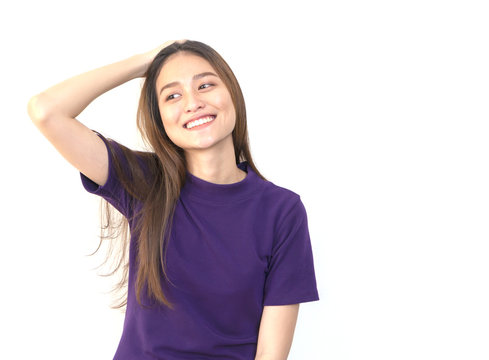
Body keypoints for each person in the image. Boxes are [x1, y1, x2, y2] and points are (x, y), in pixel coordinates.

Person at [27, 40, 320, 360]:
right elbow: (46, 111)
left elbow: (270, 355)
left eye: (205, 85)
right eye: (172, 95)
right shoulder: (144, 182)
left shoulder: (281, 211)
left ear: (233, 94)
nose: (193, 103)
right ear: (160, 119)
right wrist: (146, 62)